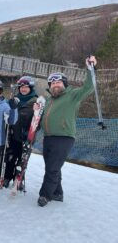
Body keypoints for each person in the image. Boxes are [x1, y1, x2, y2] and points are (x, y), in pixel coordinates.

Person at [37, 56, 95, 207]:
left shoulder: (72, 95)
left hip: (64, 138)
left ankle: (45, 195)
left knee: (52, 168)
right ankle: (57, 193)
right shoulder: (49, 100)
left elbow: (89, 87)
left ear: (64, 84)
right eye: (53, 83)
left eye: (58, 82)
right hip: (48, 137)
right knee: (53, 166)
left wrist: (90, 69)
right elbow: (43, 117)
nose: (55, 85)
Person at [3, 76, 38, 188]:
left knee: (22, 160)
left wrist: (30, 132)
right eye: (22, 87)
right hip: (13, 135)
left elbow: (38, 121)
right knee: (10, 158)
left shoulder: (35, 102)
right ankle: (7, 177)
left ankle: (19, 179)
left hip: (26, 136)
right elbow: (6, 115)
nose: (23, 89)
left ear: (31, 88)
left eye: (26, 87)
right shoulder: (14, 100)